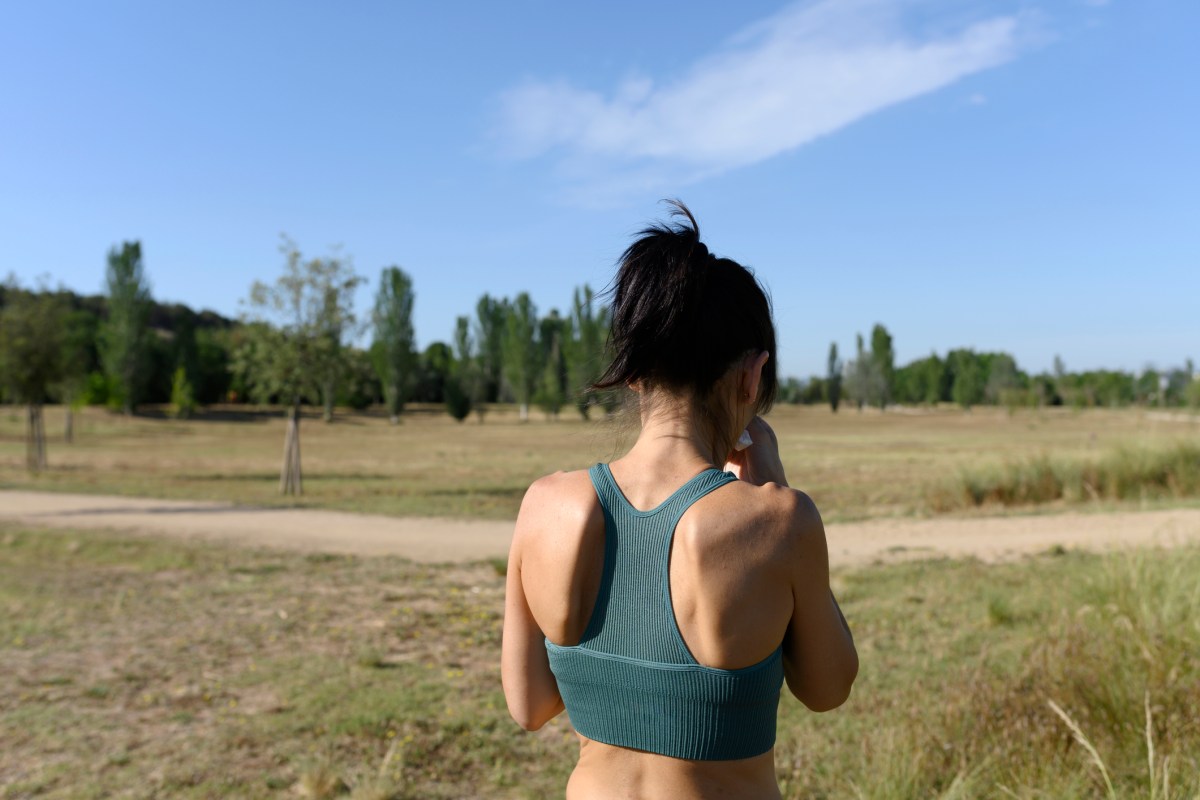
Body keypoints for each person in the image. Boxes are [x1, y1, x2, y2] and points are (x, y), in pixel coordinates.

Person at [501, 202, 858, 799]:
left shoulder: (543, 506)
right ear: (752, 377)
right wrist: (774, 484)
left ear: (635, 372)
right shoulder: (779, 522)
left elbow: (530, 705)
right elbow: (828, 689)